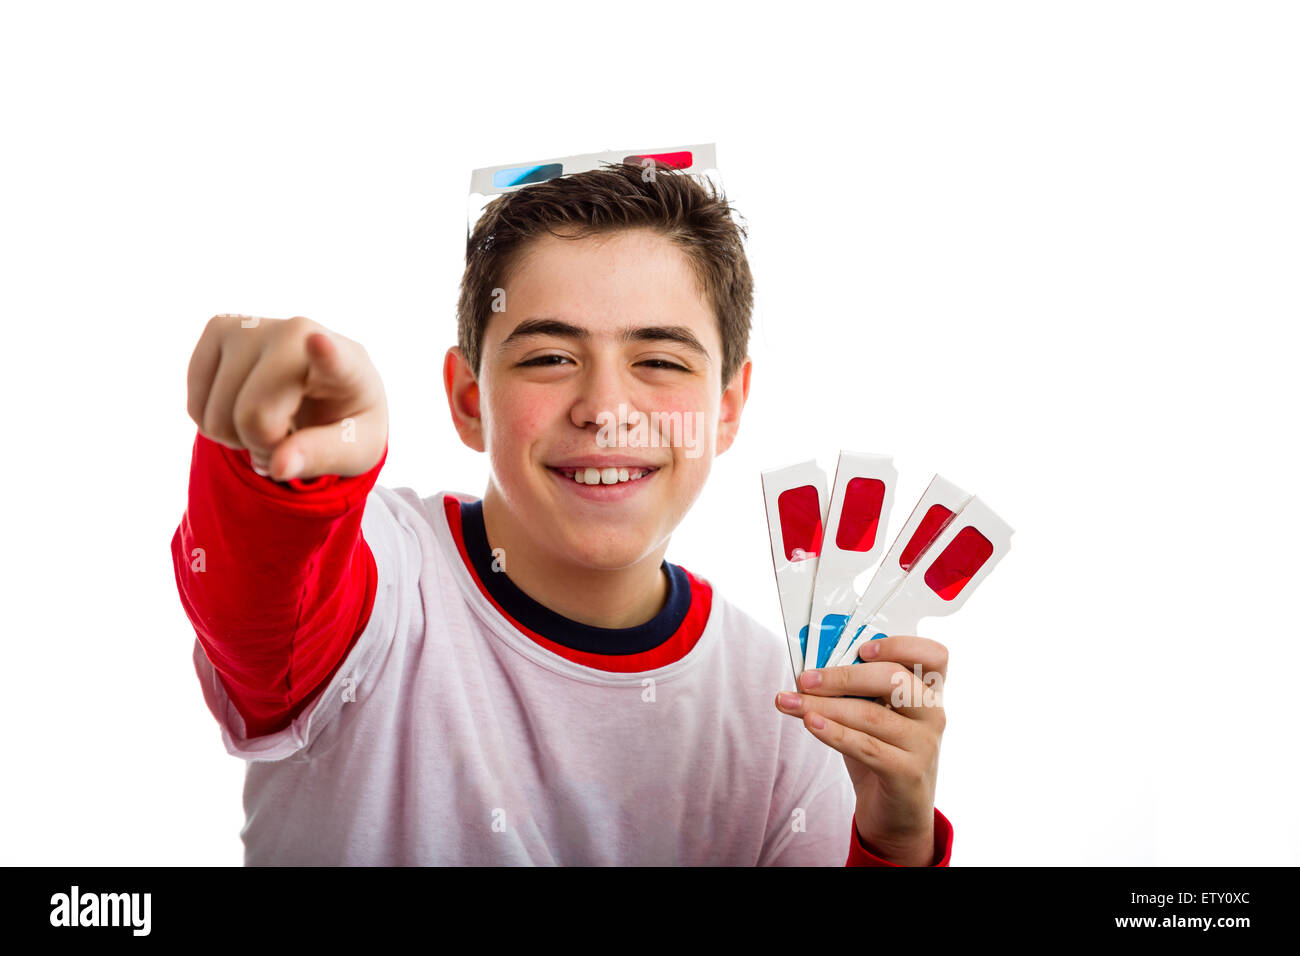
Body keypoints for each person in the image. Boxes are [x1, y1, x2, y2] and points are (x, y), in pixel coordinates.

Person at [171, 160, 954, 865]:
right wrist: (277, 467)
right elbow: (265, 599)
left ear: (728, 407)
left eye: (658, 360)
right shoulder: (379, 588)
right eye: (549, 357)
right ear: (469, 398)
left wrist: (893, 844)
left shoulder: (789, 708)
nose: (606, 409)